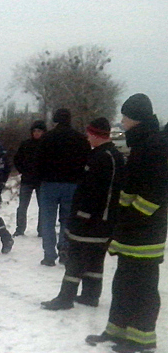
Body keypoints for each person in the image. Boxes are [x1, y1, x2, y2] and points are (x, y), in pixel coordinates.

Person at [86, 93, 168, 353]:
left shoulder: (155, 145)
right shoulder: (144, 141)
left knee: (142, 286)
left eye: (125, 116)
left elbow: (155, 192)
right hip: (132, 228)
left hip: (145, 231)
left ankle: (141, 339)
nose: (121, 122)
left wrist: (132, 219)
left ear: (136, 118)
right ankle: (117, 329)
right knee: (123, 282)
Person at [41, 117, 124, 310]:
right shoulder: (108, 155)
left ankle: (65, 298)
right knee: (95, 258)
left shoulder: (104, 158)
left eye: (89, 134)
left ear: (96, 134)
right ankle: (90, 295)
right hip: (100, 221)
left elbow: (96, 192)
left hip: (92, 221)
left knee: (76, 257)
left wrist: (82, 215)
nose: (87, 138)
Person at [36, 108, 91, 266]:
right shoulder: (80, 139)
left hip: (49, 184)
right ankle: (65, 250)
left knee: (48, 220)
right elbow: (86, 161)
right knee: (67, 220)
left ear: (55, 120)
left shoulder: (47, 138)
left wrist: (40, 179)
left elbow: (38, 161)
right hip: (72, 185)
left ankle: (49, 254)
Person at [13, 120, 46, 237]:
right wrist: (23, 170)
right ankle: (20, 229)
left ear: (43, 132)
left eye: (39, 131)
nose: (36, 133)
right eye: (34, 131)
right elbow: (17, 159)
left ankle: (42, 230)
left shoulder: (47, 145)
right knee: (22, 206)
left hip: (41, 180)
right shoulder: (26, 144)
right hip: (27, 180)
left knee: (43, 206)